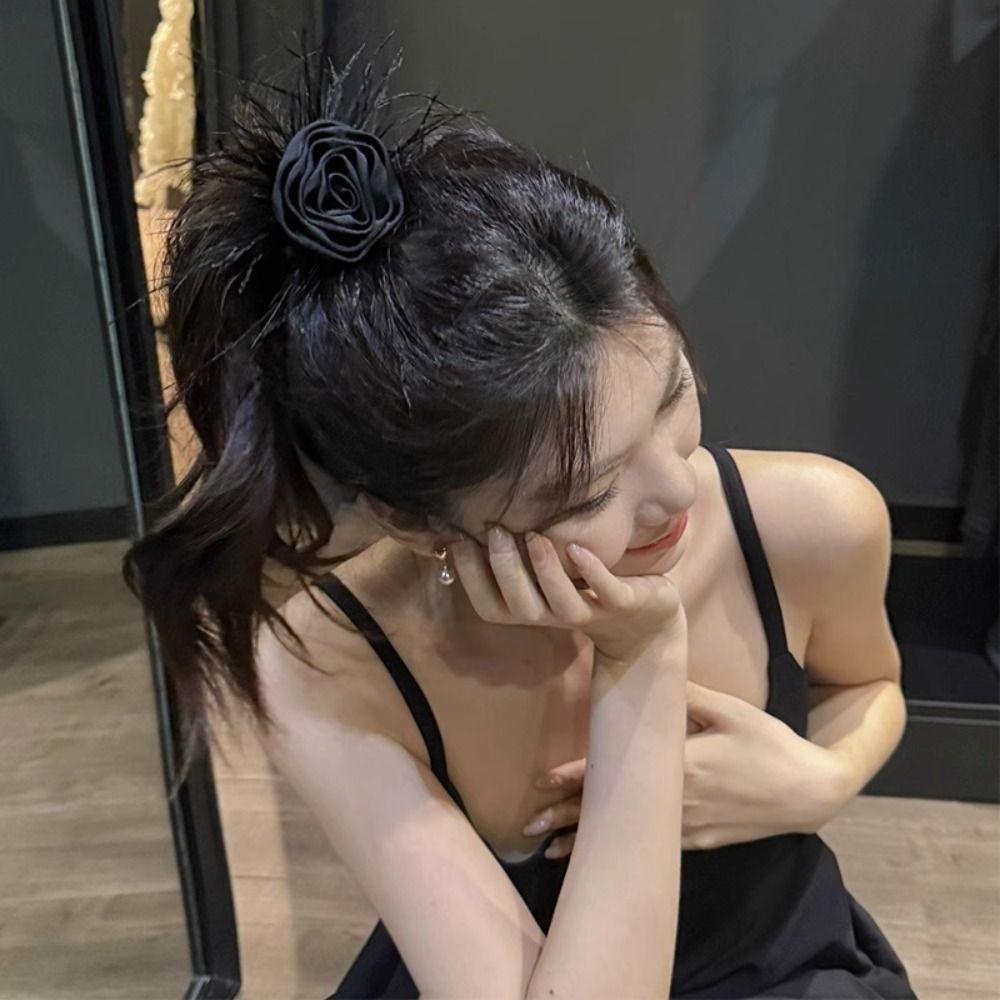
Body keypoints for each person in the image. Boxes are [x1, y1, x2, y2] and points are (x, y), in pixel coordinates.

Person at [123, 38, 917, 998]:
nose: (678, 492)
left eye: (672, 394)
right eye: (588, 492)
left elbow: (869, 682)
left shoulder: (813, 520)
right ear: (420, 525)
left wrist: (825, 780)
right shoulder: (329, 666)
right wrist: (639, 665)